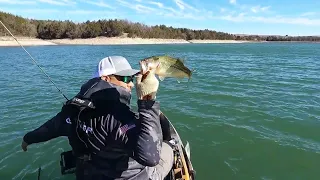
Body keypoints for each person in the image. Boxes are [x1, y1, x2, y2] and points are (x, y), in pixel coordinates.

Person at [21, 56, 174, 180]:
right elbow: (150, 157)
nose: (132, 85)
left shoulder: (72, 109)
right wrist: (147, 102)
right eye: (126, 79)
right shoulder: (120, 118)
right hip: (129, 176)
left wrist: (27, 139)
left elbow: (50, 128)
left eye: (132, 79)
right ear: (106, 79)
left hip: (88, 174)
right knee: (168, 149)